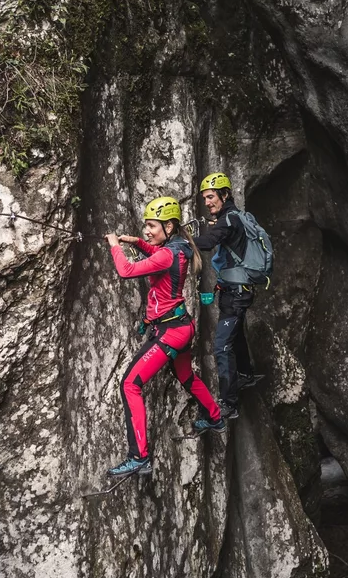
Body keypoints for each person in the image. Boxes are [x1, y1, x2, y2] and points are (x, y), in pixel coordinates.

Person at [104, 196, 224, 477]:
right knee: (186, 376)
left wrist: (114, 246)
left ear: (168, 227)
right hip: (181, 327)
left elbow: (126, 270)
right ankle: (215, 417)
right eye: (146, 226)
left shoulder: (168, 253)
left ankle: (139, 457)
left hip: (171, 332)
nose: (147, 231)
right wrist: (137, 242)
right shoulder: (178, 246)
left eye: (152, 226)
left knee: (130, 384)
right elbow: (158, 255)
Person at [192, 172, 264, 420]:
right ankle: (245, 374)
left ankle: (229, 404)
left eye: (211, 197)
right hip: (236, 292)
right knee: (235, 335)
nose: (207, 202)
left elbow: (207, 243)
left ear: (225, 194)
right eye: (205, 198)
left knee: (221, 346)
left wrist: (179, 239)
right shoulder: (233, 217)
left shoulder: (228, 220)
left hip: (236, 295)